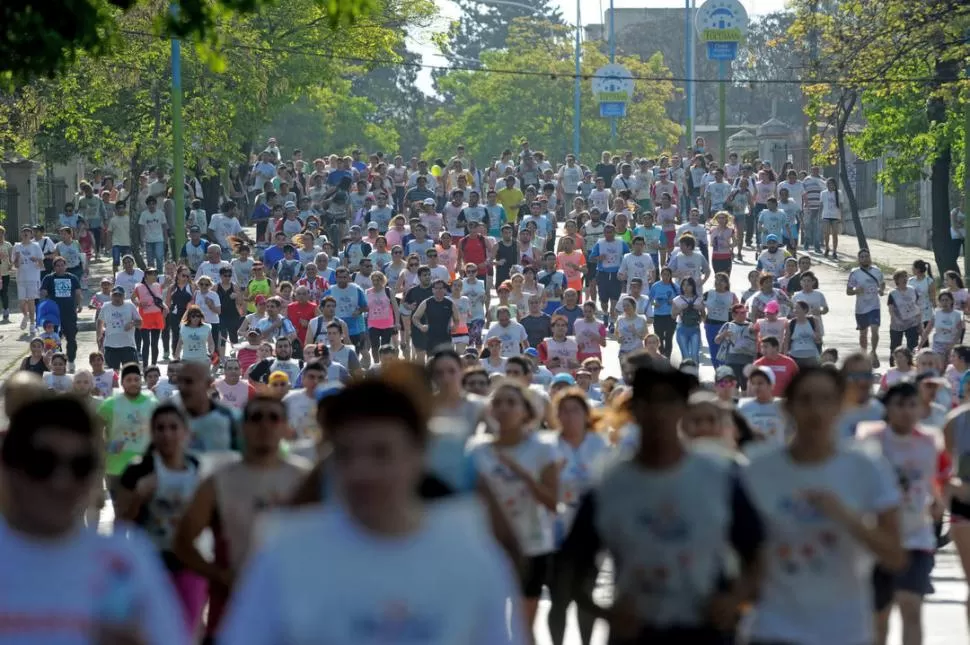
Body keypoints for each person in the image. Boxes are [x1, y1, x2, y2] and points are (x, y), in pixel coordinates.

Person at [219, 377, 526, 645]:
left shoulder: (472, 558)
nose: (361, 470)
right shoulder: (283, 555)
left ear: (418, 454)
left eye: (381, 453)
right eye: (346, 454)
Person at [561, 364, 763, 643]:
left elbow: (759, 554)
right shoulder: (609, 482)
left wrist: (735, 601)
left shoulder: (719, 476)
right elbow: (571, 567)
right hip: (637, 632)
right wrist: (604, 612)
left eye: (668, 401)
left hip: (707, 629)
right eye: (647, 402)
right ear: (634, 410)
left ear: (682, 409)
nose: (658, 412)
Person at [0, 395, 187, 644]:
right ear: (9, 467)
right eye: (42, 463)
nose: (61, 482)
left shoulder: (126, 560)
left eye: (80, 466)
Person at [741, 367, 905, 645]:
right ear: (787, 406)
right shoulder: (757, 468)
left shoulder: (866, 466)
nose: (815, 410)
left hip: (843, 630)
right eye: (805, 400)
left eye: (826, 399)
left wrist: (846, 517)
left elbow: (896, 556)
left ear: (841, 407)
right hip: (773, 628)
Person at [174, 395, 311, 642]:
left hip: (292, 610)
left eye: (273, 417)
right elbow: (182, 542)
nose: (265, 424)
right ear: (243, 426)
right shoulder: (219, 481)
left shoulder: (304, 479)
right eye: (256, 417)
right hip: (232, 610)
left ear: (285, 427)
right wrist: (219, 575)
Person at [467, 379, 558, 636]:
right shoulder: (476, 449)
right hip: (488, 548)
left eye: (511, 402)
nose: (504, 408)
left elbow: (553, 502)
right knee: (487, 629)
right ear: (490, 410)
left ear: (526, 411)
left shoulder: (543, 447)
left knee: (524, 628)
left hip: (532, 545)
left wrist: (521, 473)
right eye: (497, 403)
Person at [116, 403, 207, 636]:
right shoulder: (138, 471)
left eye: (173, 427)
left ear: (185, 432)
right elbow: (120, 526)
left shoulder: (196, 468)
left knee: (186, 632)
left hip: (190, 565)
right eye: (160, 428)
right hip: (150, 566)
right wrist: (138, 497)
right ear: (152, 432)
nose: (167, 434)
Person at [97, 362, 159, 500]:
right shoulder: (109, 404)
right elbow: (93, 431)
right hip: (116, 468)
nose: (133, 383)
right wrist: (107, 446)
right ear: (122, 382)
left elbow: (160, 431)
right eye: (128, 380)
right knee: (120, 513)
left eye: (136, 379)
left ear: (141, 380)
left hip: (145, 467)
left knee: (143, 512)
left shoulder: (152, 403)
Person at [847, 248, 886, 367]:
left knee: (875, 329)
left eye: (866, 256)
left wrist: (881, 290)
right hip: (861, 308)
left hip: (874, 306)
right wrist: (856, 290)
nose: (864, 258)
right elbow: (848, 291)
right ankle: (864, 355)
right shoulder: (855, 273)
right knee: (863, 334)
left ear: (870, 258)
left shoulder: (877, 271)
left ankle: (873, 352)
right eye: (862, 257)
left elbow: (882, 283)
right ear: (859, 259)